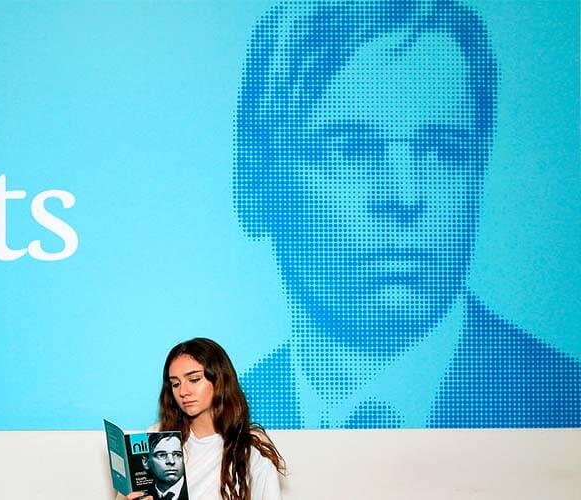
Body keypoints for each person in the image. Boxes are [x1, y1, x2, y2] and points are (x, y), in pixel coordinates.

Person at [233, 0, 581, 429]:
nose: (404, 195)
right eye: (352, 149)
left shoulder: (562, 402)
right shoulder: (216, 424)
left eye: (443, 151)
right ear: (254, 185)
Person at [126, 337, 285, 500]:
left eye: (194, 380)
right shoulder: (156, 435)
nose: (183, 392)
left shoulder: (251, 445)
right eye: (175, 384)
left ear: (219, 379)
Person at [141, 432, 188, 500]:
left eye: (177, 455)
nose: (171, 461)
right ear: (145, 462)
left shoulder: (197, 488)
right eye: (162, 455)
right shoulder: (143, 495)